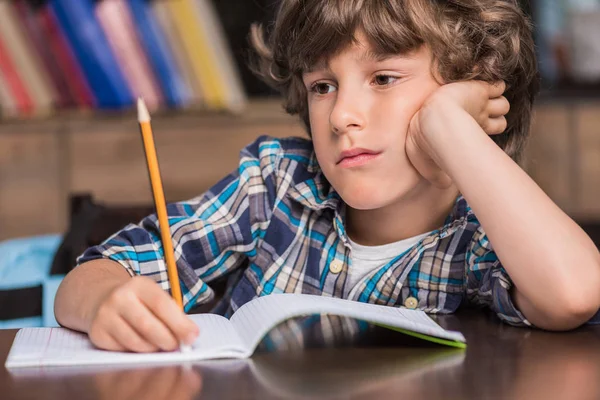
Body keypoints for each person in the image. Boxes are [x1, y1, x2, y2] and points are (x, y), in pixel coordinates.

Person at [55, 0, 600, 353]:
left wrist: (449, 127)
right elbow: (92, 273)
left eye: (384, 78)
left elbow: (575, 294)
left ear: (479, 94)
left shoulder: (479, 239)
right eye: (322, 86)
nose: (341, 116)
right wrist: (106, 302)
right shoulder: (274, 186)